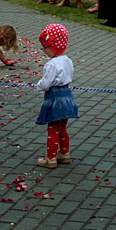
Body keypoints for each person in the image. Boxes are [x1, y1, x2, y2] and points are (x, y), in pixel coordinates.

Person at [34, 23, 78, 169]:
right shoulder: (68, 60)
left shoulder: (52, 64)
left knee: (52, 128)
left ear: (54, 46)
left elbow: (47, 83)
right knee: (62, 128)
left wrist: (38, 85)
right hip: (67, 97)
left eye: (45, 47)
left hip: (55, 99)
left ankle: (50, 158)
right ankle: (64, 154)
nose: (44, 51)